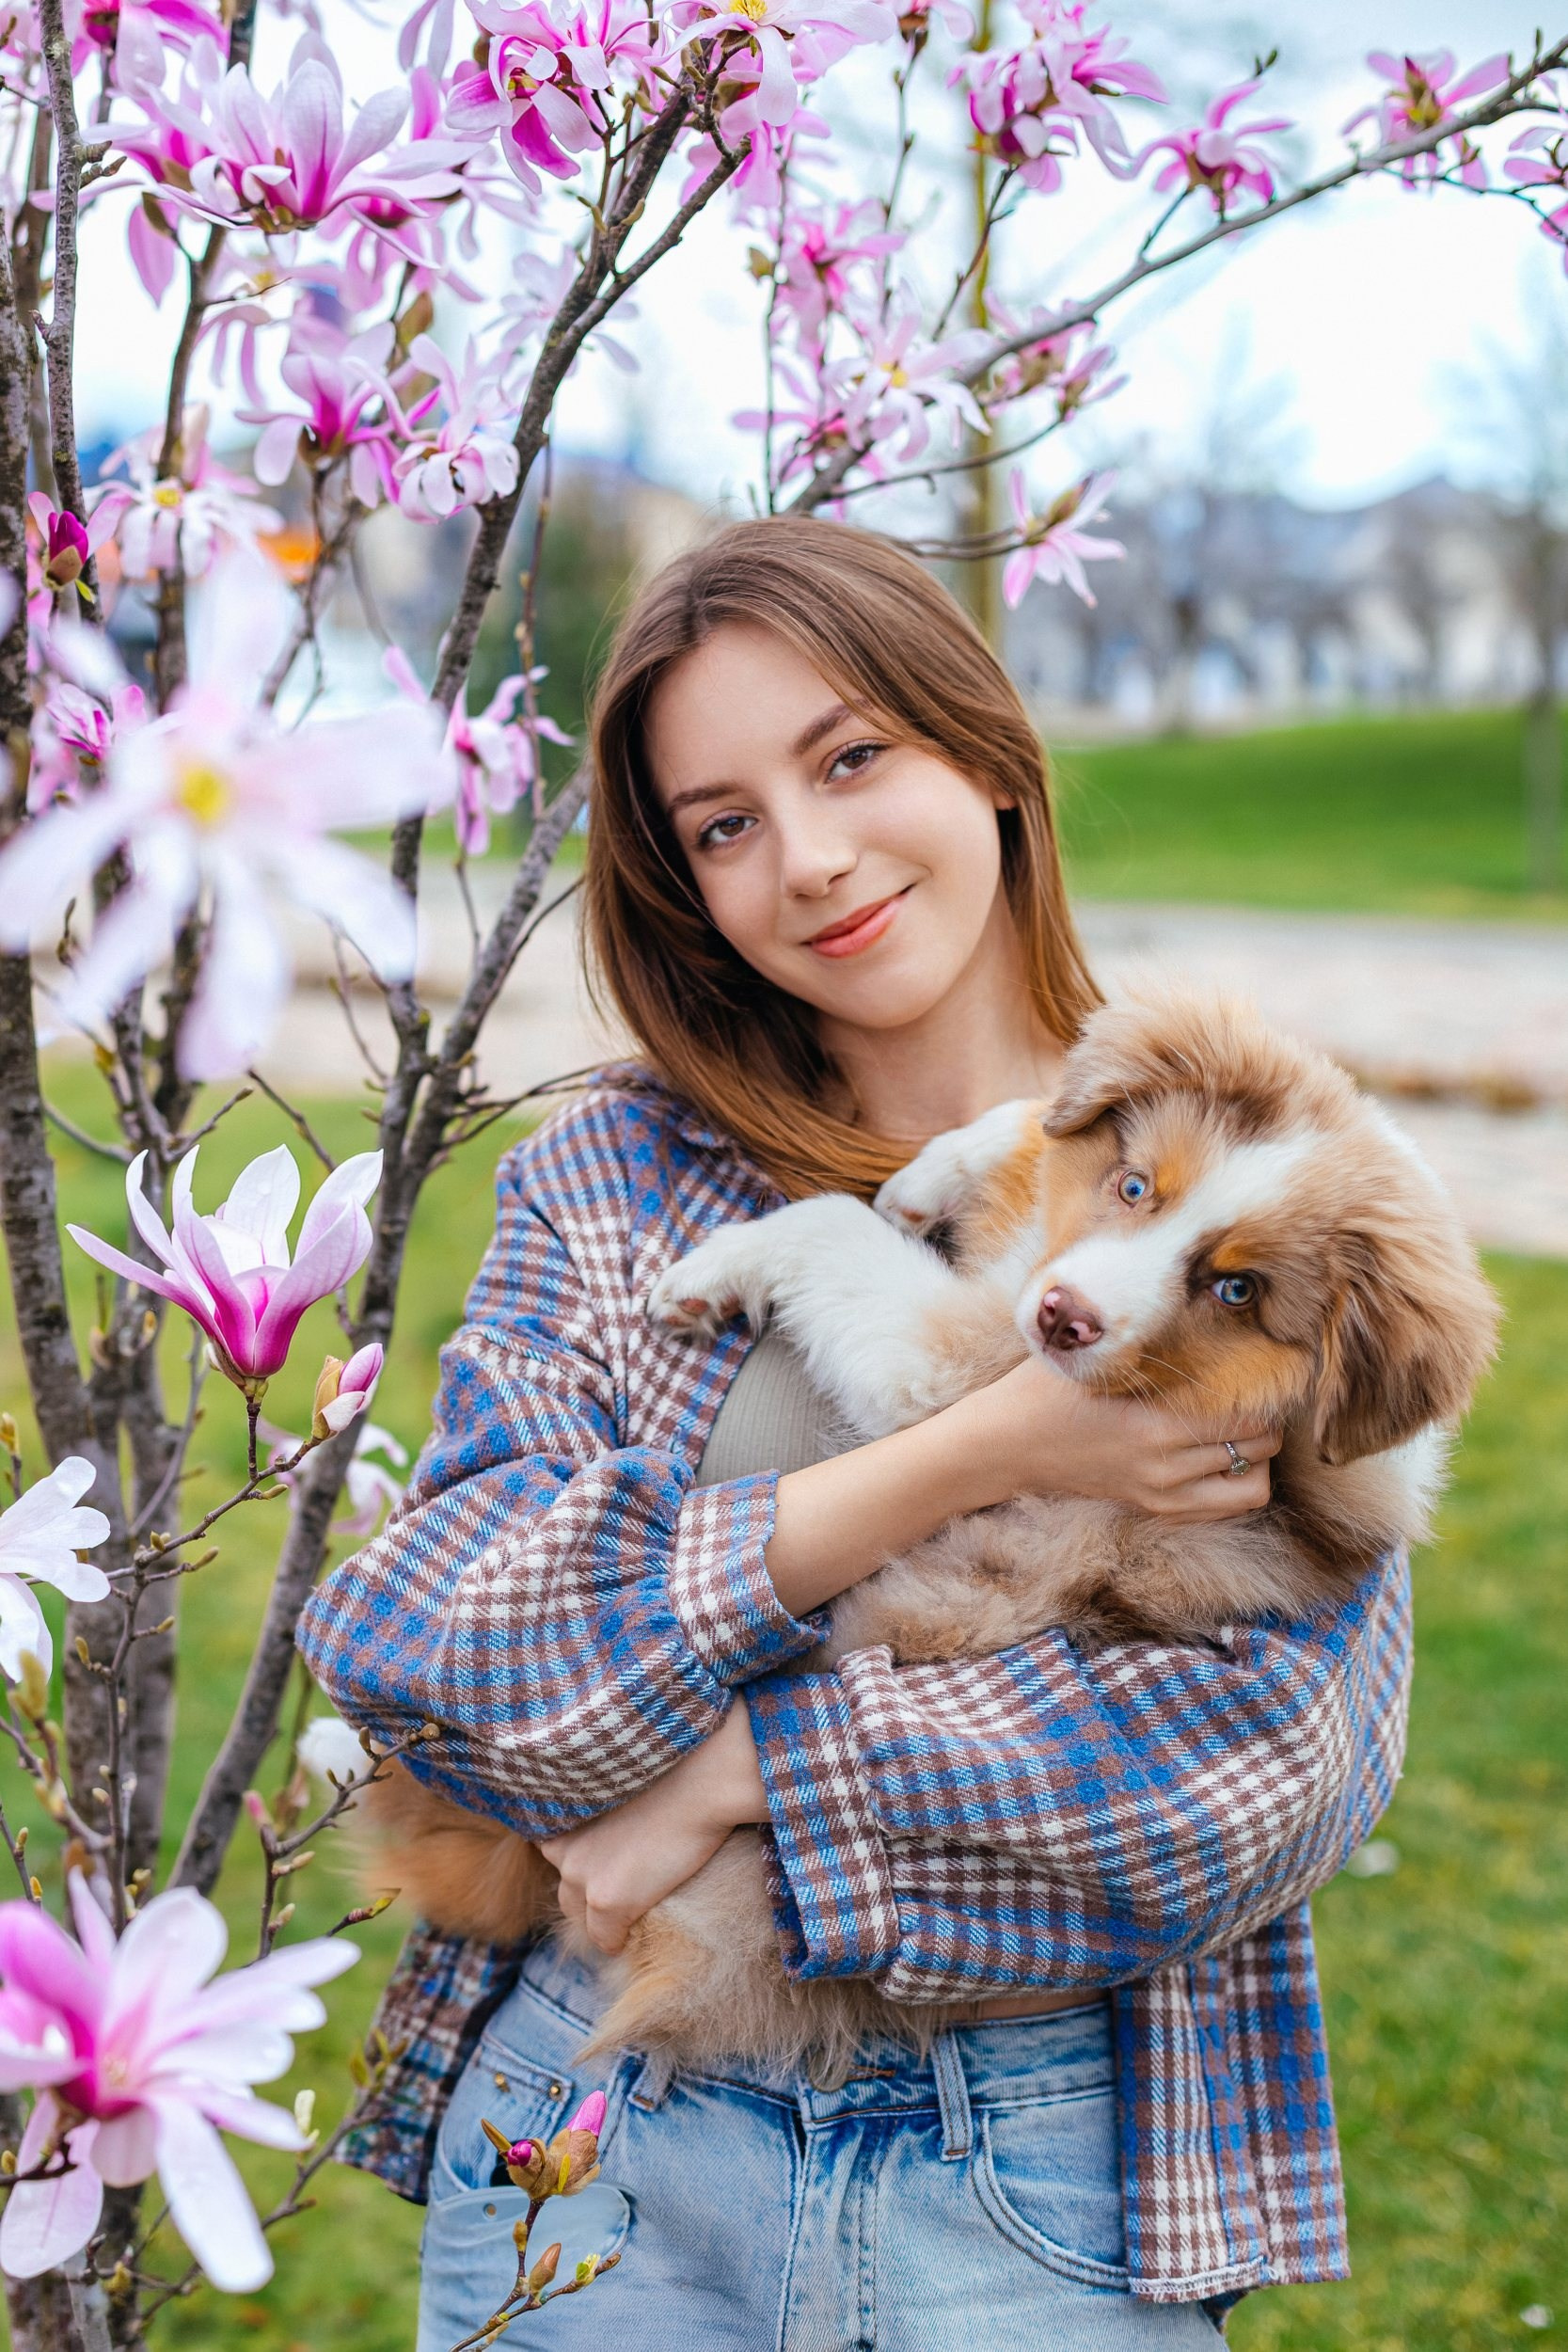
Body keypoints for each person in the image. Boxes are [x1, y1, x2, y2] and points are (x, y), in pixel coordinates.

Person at [296, 516, 1410, 2350]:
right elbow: (431, 1639)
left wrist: (720, 1782)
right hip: (596, 2122)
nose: (806, 860)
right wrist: (980, 1452)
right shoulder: (614, 1169)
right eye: (722, 822)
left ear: (983, 750)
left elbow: (1254, 1769)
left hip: (1047, 2163)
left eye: (850, 757)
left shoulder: (1239, 1169)